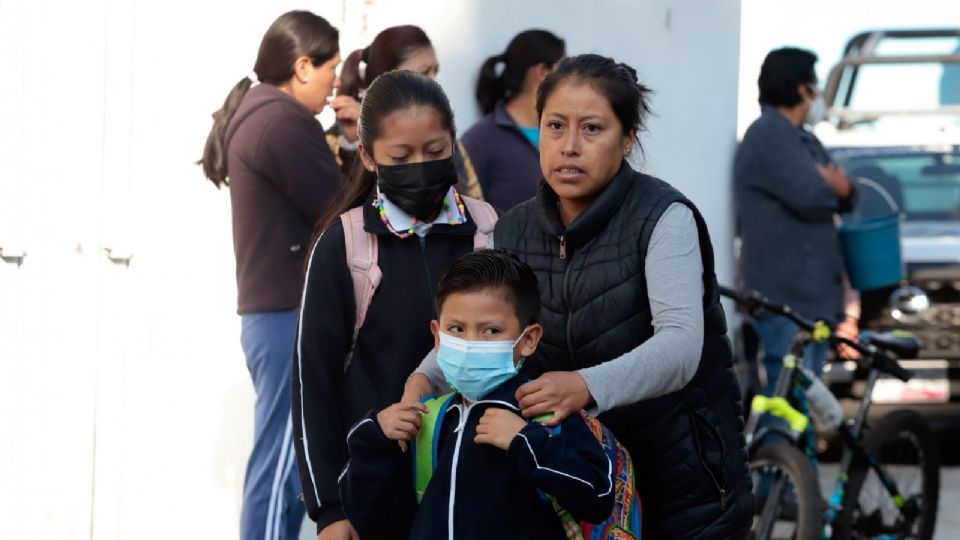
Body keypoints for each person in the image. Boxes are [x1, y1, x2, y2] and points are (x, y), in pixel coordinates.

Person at [405, 54, 753, 539]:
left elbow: (680, 346)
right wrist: (422, 382)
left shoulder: (664, 218)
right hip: (572, 480)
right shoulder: (512, 229)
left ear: (627, 138)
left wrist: (585, 385)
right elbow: (478, 324)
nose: (569, 147)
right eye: (554, 126)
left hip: (682, 485)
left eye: (592, 129)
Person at [292, 71, 498, 540]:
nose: (421, 166)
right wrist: (329, 509)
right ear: (367, 155)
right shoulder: (345, 244)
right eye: (401, 157)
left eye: (435, 151)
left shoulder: (488, 231)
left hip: (472, 485)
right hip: (375, 491)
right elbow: (312, 383)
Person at [338, 249, 614, 538]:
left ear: (528, 339)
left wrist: (526, 442)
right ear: (437, 335)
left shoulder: (544, 414)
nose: (470, 343)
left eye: (491, 330)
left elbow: (598, 498)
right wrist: (375, 439)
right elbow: (371, 520)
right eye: (456, 329)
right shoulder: (430, 422)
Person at [198, 11, 342, 540]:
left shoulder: (263, 114)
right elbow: (337, 208)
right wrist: (357, 148)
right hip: (284, 317)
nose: (335, 86)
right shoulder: (280, 121)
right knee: (282, 465)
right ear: (304, 66)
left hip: (274, 317)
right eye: (332, 69)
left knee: (284, 466)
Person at [734, 47, 860, 395]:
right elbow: (815, 195)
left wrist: (844, 187)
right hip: (786, 304)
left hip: (808, 302)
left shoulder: (802, 138)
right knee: (785, 408)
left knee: (803, 406)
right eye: (814, 86)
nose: (817, 95)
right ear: (800, 89)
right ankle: (776, 453)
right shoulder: (770, 135)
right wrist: (839, 188)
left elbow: (845, 190)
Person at [325, 25, 481, 198]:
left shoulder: (444, 134)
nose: (433, 82)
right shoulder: (337, 142)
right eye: (401, 156)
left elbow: (474, 198)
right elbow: (341, 204)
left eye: (435, 151)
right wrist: (355, 141)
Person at [461, 30, 566, 211]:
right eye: (565, 70)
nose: (571, 81)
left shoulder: (569, 132)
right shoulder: (479, 140)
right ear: (542, 72)